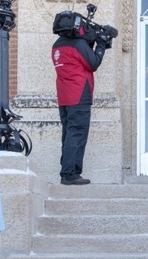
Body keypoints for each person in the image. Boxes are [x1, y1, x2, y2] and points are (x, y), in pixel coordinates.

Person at [52, 25, 109, 185]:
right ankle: (69, 173)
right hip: (79, 94)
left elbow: (79, 60)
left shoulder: (57, 45)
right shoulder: (79, 45)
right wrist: (101, 44)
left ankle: (69, 171)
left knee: (69, 134)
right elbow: (93, 63)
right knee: (77, 133)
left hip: (64, 96)